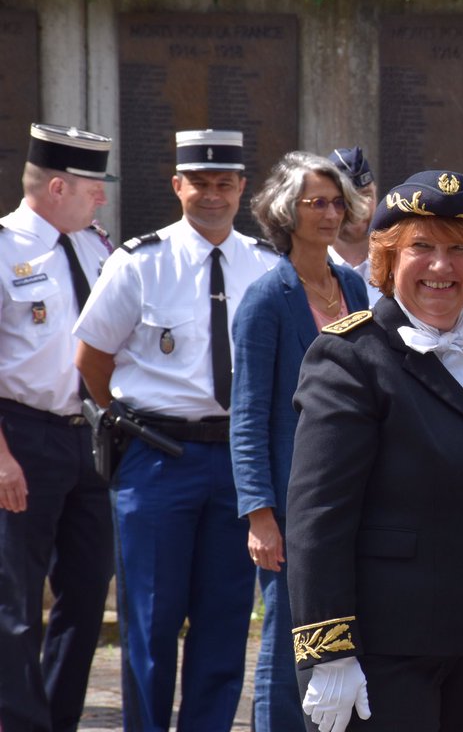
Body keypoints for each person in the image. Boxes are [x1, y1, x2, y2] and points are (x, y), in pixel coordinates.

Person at [285, 169, 463, 731]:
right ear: (389, 259)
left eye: (460, 250)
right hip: (384, 651)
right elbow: (319, 515)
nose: (442, 267)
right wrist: (329, 650)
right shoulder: (351, 356)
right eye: (422, 247)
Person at [73, 129, 279, 731]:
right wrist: (124, 417)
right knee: (150, 621)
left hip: (239, 460)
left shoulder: (268, 266)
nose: (212, 195)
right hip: (157, 458)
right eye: (199, 184)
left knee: (225, 618)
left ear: (241, 188)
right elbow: (91, 357)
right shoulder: (139, 262)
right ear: (177, 186)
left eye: (224, 184)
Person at [229, 151, 370, 730]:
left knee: (342, 637)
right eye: (317, 203)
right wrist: (260, 514)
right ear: (287, 211)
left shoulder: (354, 286)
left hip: (353, 493)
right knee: (289, 639)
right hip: (290, 504)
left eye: (338, 203)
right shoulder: (267, 298)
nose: (331, 214)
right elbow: (247, 415)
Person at [0, 124, 116, 732]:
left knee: (88, 589)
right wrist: (1, 457)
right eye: (94, 188)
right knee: (15, 599)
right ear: (58, 187)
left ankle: (59, 718)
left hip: (88, 437)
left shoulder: (97, 248)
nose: (103, 199)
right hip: (20, 436)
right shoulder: (4, 247)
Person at [327, 146, 382, 307]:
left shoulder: (398, 267)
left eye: (366, 195)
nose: (360, 207)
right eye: (347, 198)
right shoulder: (307, 273)